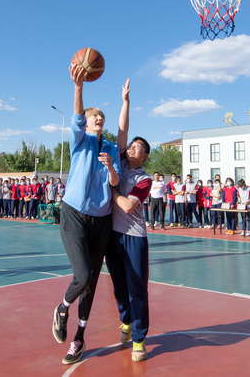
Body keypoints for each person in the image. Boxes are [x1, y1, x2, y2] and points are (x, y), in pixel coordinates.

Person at [52, 63, 121, 365]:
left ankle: (78, 339)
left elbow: (115, 181)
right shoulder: (80, 141)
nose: (99, 119)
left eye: (102, 117)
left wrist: (110, 167)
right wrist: (79, 87)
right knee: (81, 275)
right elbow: (77, 116)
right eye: (96, 116)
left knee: (91, 281)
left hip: (102, 219)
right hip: (75, 214)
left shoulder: (110, 149)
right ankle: (63, 308)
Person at [105, 78, 152, 362]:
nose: (131, 148)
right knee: (119, 286)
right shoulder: (120, 163)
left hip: (134, 237)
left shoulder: (144, 179)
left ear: (144, 155)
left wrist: (109, 190)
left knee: (137, 288)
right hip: (113, 236)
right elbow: (122, 131)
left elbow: (125, 205)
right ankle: (125, 320)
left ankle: (139, 338)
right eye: (131, 145)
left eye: (137, 147)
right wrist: (125, 102)